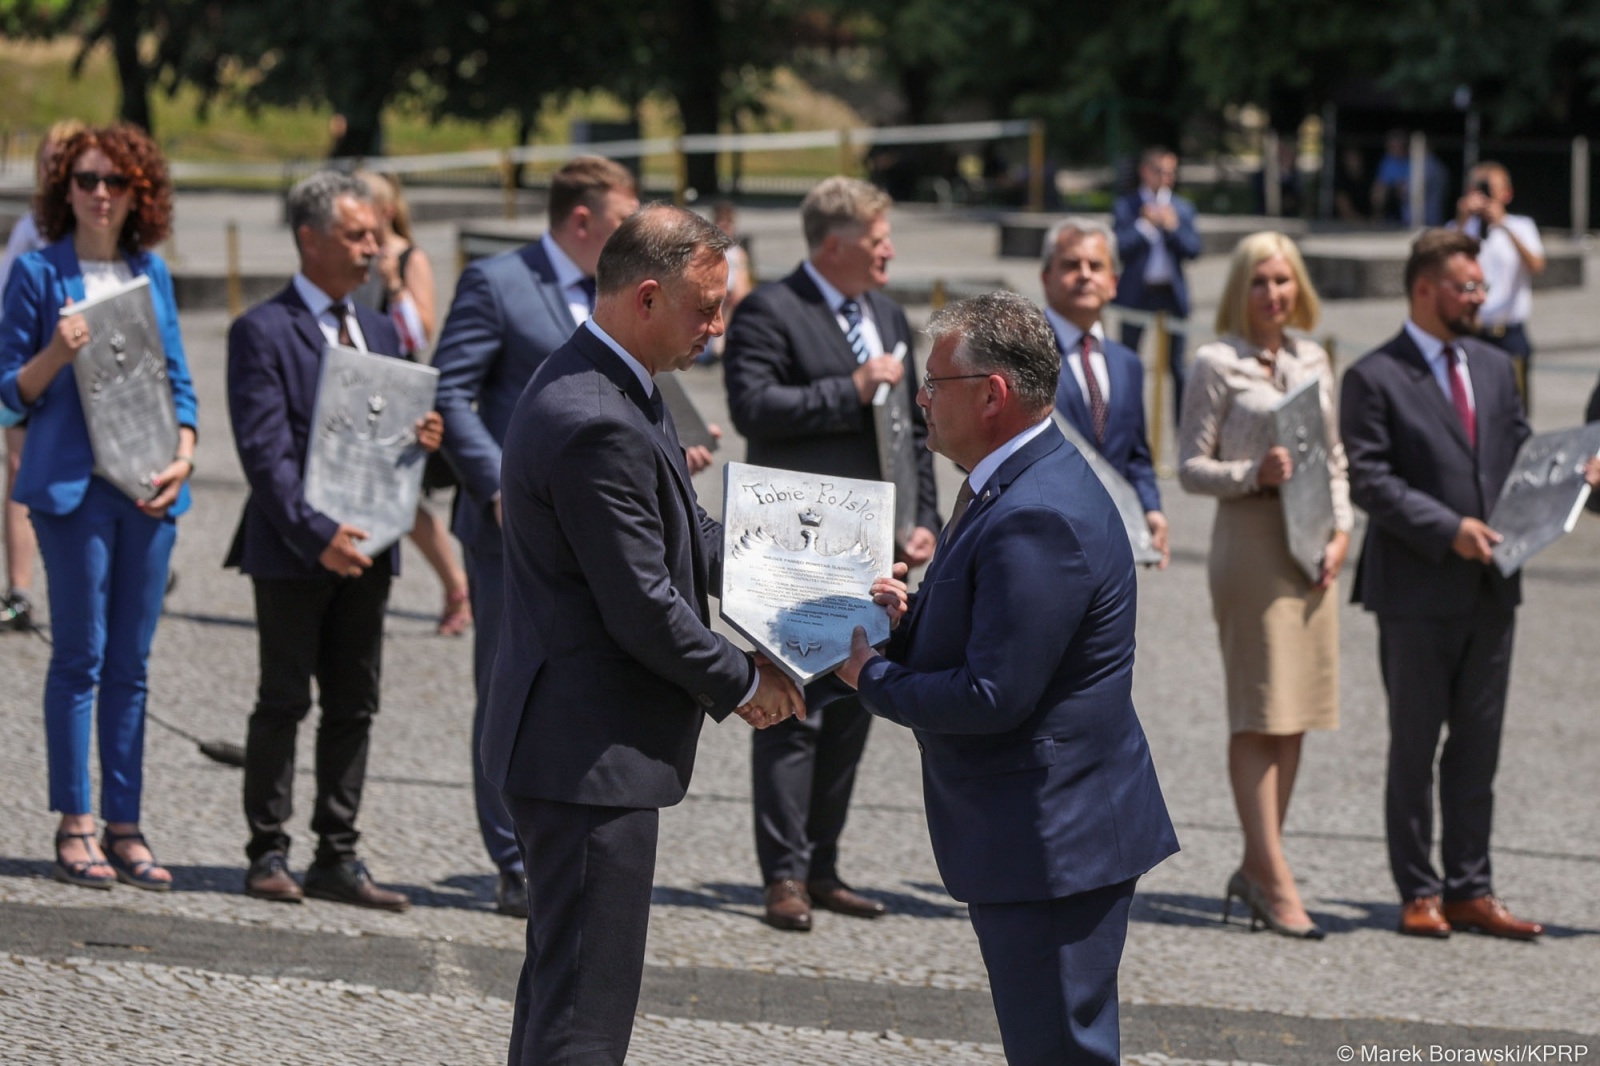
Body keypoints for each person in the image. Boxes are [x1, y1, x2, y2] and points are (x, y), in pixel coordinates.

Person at [483, 203, 820, 1065]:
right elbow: (642, 604)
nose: (718, 326)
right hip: (587, 754)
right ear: (644, 296)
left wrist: (826, 580)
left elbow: (690, 539)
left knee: (562, 996)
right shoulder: (596, 414)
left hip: (582, 749)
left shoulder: (622, 381)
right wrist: (749, 684)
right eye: (706, 307)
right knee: (582, 1019)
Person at [836, 291, 1179, 1066]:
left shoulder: (1037, 511)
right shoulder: (1019, 475)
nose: (919, 399)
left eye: (934, 384)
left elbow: (995, 695)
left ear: (991, 395)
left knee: (1060, 1051)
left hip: (1050, 843)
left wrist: (870, 676)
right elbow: (1006, 625)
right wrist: (915, 615)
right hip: (1043, 834)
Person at [1340, 229, 1597, 940]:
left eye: (1482, 286)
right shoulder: (1373, 375)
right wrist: (1446, 525)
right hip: (1416, 589)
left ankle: (1470, 889)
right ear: (1425, 289)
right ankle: (1418, 890)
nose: (1481, 297)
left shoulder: (1493, 364)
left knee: (1479, 746)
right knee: (1415, 745)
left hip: (1492, 588)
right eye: (1467, 286)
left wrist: (1576, 479)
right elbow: (1369, 478)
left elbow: (1521, 458)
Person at [722, 175, 939, 932]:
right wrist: (845, 388)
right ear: (835, 245)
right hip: (794, 543)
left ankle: (823, 865)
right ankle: (781, 875)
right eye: (878, 240)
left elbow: (917, 434)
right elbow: (752, 407)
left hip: (875, 548)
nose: (889, 252)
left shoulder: (888, 314)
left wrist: (925, 520)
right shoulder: (768, 310)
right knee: (792, 707)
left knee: (854, 703)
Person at [225, 170, 444, 912]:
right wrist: (318, 536)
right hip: (293, 549)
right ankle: (267, 851)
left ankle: (337, 853)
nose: (374, 248)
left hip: (370, 546)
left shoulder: (379, 329)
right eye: (357, 235)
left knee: (355, 702)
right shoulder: (261, 329)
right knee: (283, 699)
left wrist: (427, 442)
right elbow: (264, 455)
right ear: (309, 238)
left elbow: (396, 449)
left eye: (376, 234)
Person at [431, 155, 639, 918]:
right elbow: (450, 391)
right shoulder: (497, 282)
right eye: (623, 223)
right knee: (507, 685)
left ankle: (563, 838)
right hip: (509, 531)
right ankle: (513, 860)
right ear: (581, 220)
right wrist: (495, 487)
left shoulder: (614, 296)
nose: (632, 238)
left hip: (596, 531)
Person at [0, 123, 197, 891]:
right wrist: (57, 352)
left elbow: (180, 378)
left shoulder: (152, 273)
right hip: (72, 493)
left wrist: (186, 453)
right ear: (64, 190)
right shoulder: (38, 273)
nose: (100, 194)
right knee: (79, 657)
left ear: (138, 193)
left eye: (116, 182)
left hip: (147, 488)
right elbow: (9, 392)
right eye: (86, 180)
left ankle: (126, 822)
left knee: (132, 664)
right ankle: (74, 821)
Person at [1177, 232, 1353, 939]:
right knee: (1258, 709)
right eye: (1260, 281)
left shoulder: (1315, 356)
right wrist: (1253, 473)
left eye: (1283, 280)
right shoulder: (1215, 362)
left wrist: (1343, 531)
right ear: (1240, 289)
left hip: (1314, 545)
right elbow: (1190, 466)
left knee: (1296, 711)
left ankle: (1259, 867)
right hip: (1249, 543)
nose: (1273, 293)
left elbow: (1335, 457)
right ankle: (1275, 881)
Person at [349, 169, 471, 636]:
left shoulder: (408, 257)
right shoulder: (356, 254)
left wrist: (393, 284)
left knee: (404, 497)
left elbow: (420, 331)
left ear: (382, 209)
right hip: (361, 385)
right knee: (378, 494)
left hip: (399, 387)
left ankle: (456, 585)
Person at [1040, 216, 1168, 568]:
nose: (1084, 274)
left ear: (1113, 283)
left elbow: (1137, 454)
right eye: (1070, 265)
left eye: (1096, 266)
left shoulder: (1127, 362)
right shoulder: (1021, 354)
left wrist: (1151, 510)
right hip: (1040, 543)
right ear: (1045, 277)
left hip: (1110, 551)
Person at [1, 118, 85, 633]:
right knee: (17, 469)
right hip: (31, 363)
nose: (55, 164)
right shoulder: (30, 227)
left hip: (86, 368)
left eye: (66, 157)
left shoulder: (102, 225)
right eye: (49, 156)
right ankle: (19, 590)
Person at [1112, 146, 1202, 422]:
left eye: (1171, 172)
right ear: (1145, 171)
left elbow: (1194, 249)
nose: (1167, 178)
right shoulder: (1126, 206)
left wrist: (1172, 228)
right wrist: (1144, 226)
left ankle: (1181, 433)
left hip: (1171, 294)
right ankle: (1126, 425)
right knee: (1127, 363)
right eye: (1161, 171)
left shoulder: (1182, 208)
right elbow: (1120, 248)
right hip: (1136, 294)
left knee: (1178, 367)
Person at [1451, 161, 1545, 414]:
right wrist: (1462, 219)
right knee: (1469, 408)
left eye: (1489, 189)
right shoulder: (1460, 231)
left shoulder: (1520, 226)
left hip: (1509, 333)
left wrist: (1504, 225)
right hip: (1472, 331)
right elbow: (1445, 264)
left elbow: (1536, 265)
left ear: (1506, 193)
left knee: (1516, 409)